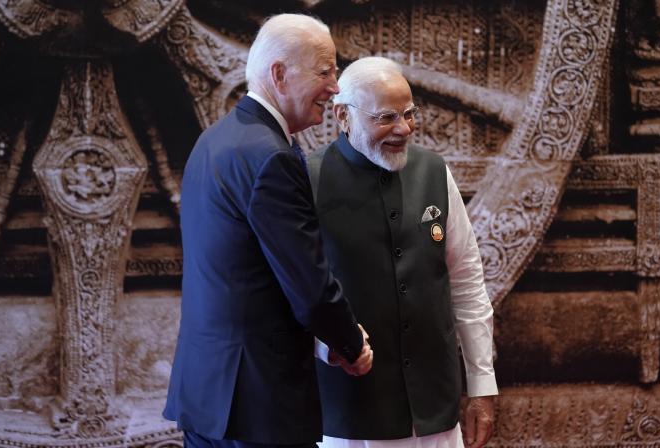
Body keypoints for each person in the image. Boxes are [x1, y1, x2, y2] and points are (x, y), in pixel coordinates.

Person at [164, 14, 373, 448]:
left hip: (209, 394)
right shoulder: (270, 157)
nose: (335, 86)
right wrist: (351, 344)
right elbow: (309, 286)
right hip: (257, 404)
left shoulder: (215, 140)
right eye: (325, 71)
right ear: (279, 74)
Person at [308, 56, 497, 448]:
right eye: (386, 118)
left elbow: (466, 281)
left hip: (436, 412)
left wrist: (481, 384)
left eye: (410, 114)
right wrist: (332, 346)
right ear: (343, 116)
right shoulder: (306, 180)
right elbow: (286, 295)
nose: (404, 128)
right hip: (348, 416)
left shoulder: (433, 171)